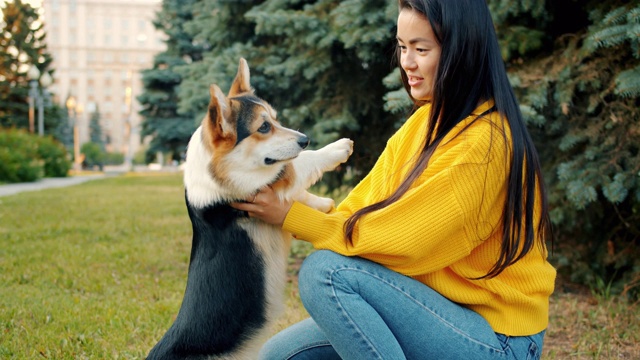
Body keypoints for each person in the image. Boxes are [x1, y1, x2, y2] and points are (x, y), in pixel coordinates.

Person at [231, 0, 556, 358]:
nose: (407, 62)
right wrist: (281, 201)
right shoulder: (425, 123)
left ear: (461, 52)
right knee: (278, 356)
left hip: (498, 340)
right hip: (433, 313)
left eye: (421, 49)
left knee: (326, 273)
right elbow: (360, 211)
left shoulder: (486, 142)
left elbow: (404, 241)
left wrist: (290, 216)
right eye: (402, 47)